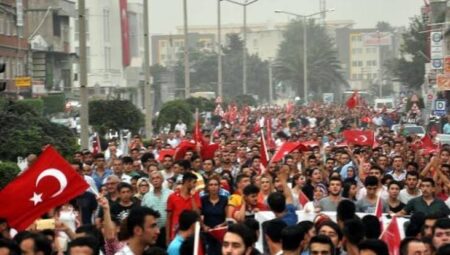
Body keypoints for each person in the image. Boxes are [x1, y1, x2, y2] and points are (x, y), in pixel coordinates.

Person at [166, 172, 201, 243]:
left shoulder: (195, 196)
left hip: (190, 235)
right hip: (175, 234)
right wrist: (167, 237)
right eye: (194, 183)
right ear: (187, 182)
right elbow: (168, 218)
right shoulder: (172, 197)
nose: (195, 185)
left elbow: (197, 215)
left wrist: (192, 197)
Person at [142, 171, 173, 248]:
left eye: (158, 178)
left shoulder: (171, 194)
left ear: (162, 180)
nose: (155, 180)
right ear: (150, 181)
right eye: (153, 178)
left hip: (168, 230)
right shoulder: (146, 197)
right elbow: (143, 215)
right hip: (153, 231)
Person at [201, 175, 228, 254]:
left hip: (220, 233)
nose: (213, 187)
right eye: (211, 185)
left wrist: (221, 225)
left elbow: (228, 217)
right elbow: (199, 216)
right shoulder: (203, 199)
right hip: (207, 232)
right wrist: (203, 226)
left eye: (216, 185)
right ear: (207, 187)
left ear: (219, 187)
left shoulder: (224, 199)